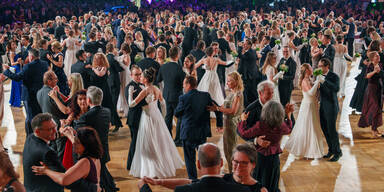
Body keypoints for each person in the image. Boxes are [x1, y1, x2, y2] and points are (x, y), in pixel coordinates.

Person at [129, 68, 184, 178]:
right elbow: (163, 103)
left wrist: (130, 94)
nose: (140, 78)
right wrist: (163, 116)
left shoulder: (144, 91)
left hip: (148, 117)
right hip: (157, 116)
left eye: (142, 77)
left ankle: (152, 169)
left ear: (145, 79)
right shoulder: (157, 89)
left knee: (149, 142)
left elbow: (131, 105)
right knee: (160, 141)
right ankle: (162, 165)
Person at [23, 113, 96, 192]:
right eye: (50, 129)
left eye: (55, 126)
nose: (55, 130)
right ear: (37, 131)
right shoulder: (47, 153)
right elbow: (67, 180)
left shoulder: (30, 138)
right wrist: (93, 188)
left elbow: (50, 135)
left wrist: (61, 134)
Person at [138, 143, 251, 192]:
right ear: (221, 163)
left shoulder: (183, 191)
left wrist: (144, 187)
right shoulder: (242, 190)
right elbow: (192, 182)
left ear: (198, 165)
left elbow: (193, 183)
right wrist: (160, 182)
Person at [238, 101, 293, 192]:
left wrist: (243, 120)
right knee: (272, 184)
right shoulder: (281, 125)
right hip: (274, 159)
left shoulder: (260, 125)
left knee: (259, 183)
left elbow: (244, 133)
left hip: (260, 158)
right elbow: (289, 129)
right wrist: (288, 115)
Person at [175, 75, 223, 179]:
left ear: (188, 85)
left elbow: (177, 113)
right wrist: (219, 123)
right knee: (204, 158)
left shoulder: (183, 98)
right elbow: (217, 108)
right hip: (202, 132)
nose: (183, 86)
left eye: (184, 84)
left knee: (189, 159)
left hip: (188, 133)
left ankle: (193, 181)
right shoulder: (205, 96)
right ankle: (206, 178)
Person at [32, 127, 102, 192]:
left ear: (86, 145)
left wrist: (45, 171)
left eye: (77, 143)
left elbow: (64, 180)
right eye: (75, 141)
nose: (74, 144)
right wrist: (69, 135)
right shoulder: (95, 157)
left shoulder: (85, 162)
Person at [75, 86, 118, 192]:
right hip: (104, 149)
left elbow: (78, 134)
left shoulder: (85, 117)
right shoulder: (107, 111)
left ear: (88, 100)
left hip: (92, 153)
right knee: (103, 175)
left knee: (97, 181)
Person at [3, 48, 49, 135]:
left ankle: (31, 136)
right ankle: (41, 134)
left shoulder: (28, 66)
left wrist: (6, 71)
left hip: (29, 95)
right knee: (39, 115)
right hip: (40, 94)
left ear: (31, 56)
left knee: (30, 117)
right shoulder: (44, 64)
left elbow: (17, 78)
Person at [285, 64, 324, 160]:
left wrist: (317, 82)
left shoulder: (309, 79)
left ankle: (311, 149)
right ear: (306, 70)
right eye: (310, 68)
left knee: (313, 125)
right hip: (308, 105)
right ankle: (308, 150)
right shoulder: (304, 81)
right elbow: (311, 93)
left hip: (313, 104)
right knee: (308, 126)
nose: (312, 69)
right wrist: (317, 81)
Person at [209, 72, 244, 172]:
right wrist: (216, 108)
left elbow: (233, 111)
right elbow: (224, 107)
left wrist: (218, 109)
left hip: (232, 124)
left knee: (231, 149)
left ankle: (233, 172)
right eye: (227, 80)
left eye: (229, 81)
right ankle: (230, 170)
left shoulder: (238, 94)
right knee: (227, 149)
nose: (227, 83)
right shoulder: (232, 93)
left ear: (236, 82)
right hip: (227, 123)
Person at [36, 71, 67, 160]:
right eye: (55, 79)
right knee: (61, 151)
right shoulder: (53, 93)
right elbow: (64, 109)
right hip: (58, 124)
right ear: (49, 81)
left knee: (52, 149)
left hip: (47, 124)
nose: (57, 80)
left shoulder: (39, 92)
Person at [88, 53, 121, 134]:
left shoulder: (104, 68)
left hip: (104, 91)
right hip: (96, 91)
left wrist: (92, 68)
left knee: (109, 107)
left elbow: (99, 74)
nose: (96, 59)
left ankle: (116, 124)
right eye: (96, 58)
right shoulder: (95, 68)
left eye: (98, 58)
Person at [156, 46, 186, 136]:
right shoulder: (179, 68)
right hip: (177, 95)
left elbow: (158, 79)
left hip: (166, 95)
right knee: (180, 117)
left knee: (168, 117)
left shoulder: (163, 67)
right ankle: (178, 139)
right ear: (178, 55)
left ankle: (168, 137)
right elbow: (183, 84)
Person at [318, 58, 342, 162]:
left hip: (332, 106)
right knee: (325, 128)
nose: (319, 68)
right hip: (322, 106)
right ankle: (331, 149)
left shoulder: (334, 76)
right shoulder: (319, 76)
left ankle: (338, 152)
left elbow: (336, 88)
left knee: (332, 130)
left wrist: (324, 81)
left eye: (320, 66)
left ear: (327, 66)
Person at [125, 65, 147, 170]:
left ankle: (136, 163)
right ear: (131, 75)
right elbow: (131, 104)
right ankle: (130, 165)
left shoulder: (141, 85)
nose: (138, 76)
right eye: (136, 74)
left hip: (141, 118)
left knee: (138, 142)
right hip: (134, 119)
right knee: (135, 142)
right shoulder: (130, 87)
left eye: (140, 74)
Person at [358, 51, 383, 137]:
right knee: (375, 107)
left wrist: (379, 71)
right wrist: (375, 72)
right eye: (377, 56)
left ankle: (375, 129)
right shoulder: (370, 65)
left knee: (379, 108)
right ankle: (373, 129)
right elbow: (367, 76)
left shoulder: (380, 65)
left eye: (378, 55)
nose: (378, 57)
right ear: (372, 58)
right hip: (372, 89)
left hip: (379, 88)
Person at [106, 43, 124, 132]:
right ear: (113, 49)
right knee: (113, 104)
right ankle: (116, 123)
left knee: (112, 103)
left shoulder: (106, 57)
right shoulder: (112, 58)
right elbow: (119, 69)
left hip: (109, 82)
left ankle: (114, 122)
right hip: (114, 83)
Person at [238, 39, 260, 107]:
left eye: (245, 44)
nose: (244, 45)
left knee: (250, 91)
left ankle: (251, 104)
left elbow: (240, 56)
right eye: (243, 44)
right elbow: (256, 58)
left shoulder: (248, 53)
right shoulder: (253, 51)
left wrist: (240, 47)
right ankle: (253, 103)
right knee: (251, 90)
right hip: (252, 73)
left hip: (249, 75)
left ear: (250, 45)